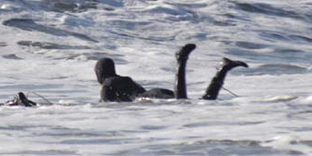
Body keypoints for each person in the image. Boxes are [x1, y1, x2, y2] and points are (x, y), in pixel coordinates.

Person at [95, 43, 248, 102]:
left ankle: (181, 60)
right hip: (155, 92)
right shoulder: (126, 79)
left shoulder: (107, 83)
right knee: (204, 101)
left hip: (150, 97)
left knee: (182, 102)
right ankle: (223, 69)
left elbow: (108, 105)